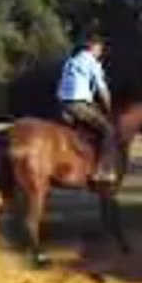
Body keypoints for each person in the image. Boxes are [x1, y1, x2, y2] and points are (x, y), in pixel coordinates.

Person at [57, 35, 119, 183]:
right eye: (100, 49)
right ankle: (103, 171)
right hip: (78, 105)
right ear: (93, 47)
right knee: (108, 131)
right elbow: (102, 89)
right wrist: (109, 108)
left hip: (62, 104)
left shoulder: (70, 61)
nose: (101, 52)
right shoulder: (92, 62)